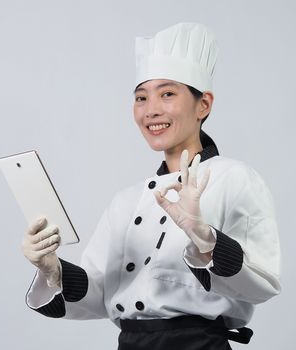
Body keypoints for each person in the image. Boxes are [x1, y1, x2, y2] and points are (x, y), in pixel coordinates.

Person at [20, 22, 282, 350]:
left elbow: (264, 283)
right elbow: (99, 294)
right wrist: (52, 270)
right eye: (141, 98)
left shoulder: (234, 177)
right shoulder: (126, 201)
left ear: (204, 105)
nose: (151, 110)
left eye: (167, 94)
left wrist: (206, 240)